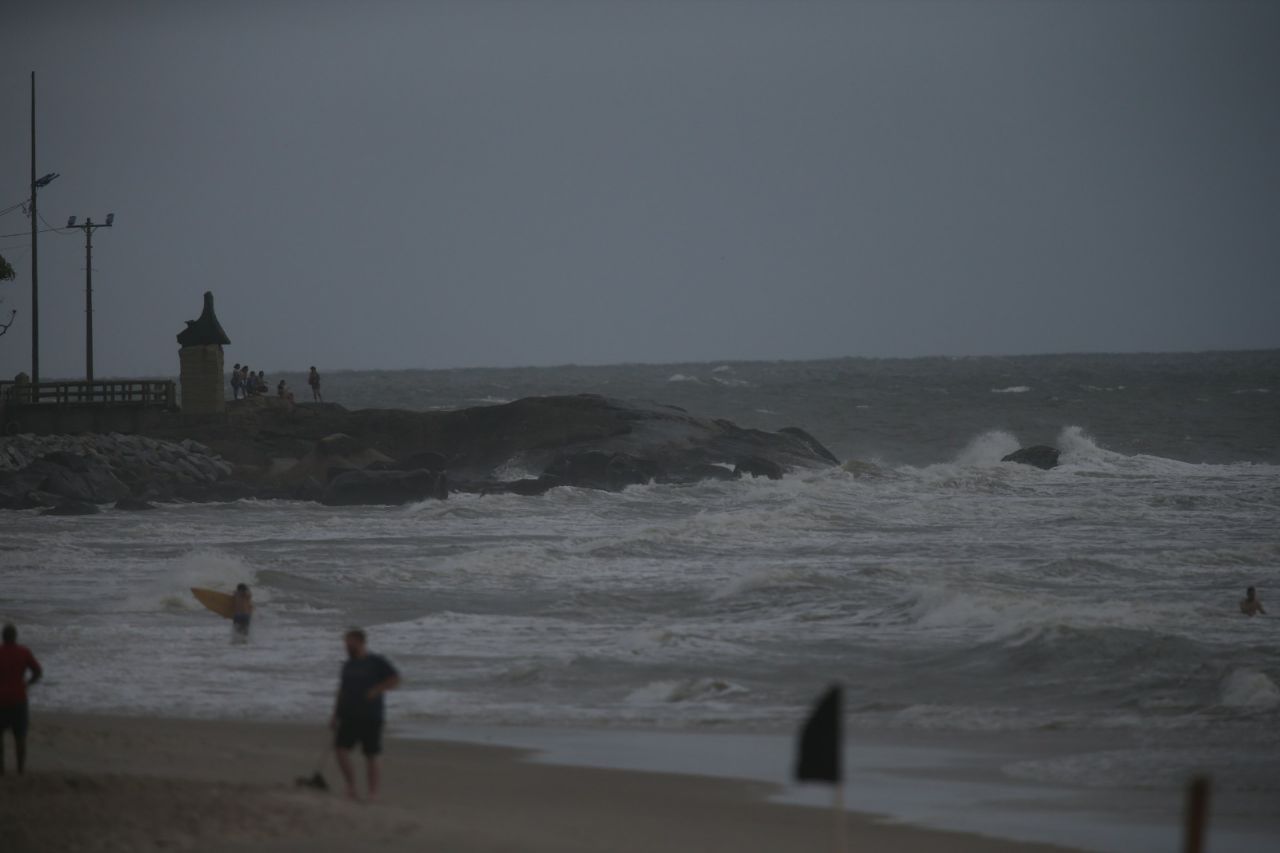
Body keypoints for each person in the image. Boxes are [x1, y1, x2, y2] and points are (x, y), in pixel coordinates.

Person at [331, 628, 400, 800]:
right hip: (348, 715)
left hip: (371, 715)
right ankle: (351, 787)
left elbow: (395, 679)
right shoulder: (348, 665)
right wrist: (335, 714)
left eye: (349, 643)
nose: (346, 646)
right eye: (345, 643)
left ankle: (372, 793)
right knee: (340, 750)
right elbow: (342, 691)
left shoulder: (376, 661)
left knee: (371, 754)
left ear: (360, 642)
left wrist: (376, 690)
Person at [0, 623, 43, 776]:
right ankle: (20, 770)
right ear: (15, 637)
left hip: (1, 700)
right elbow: (38, 671)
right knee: (20, 737)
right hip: (19, 698)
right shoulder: (23, 652)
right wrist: (28, 683)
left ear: (3, 637)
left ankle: (1, 770)